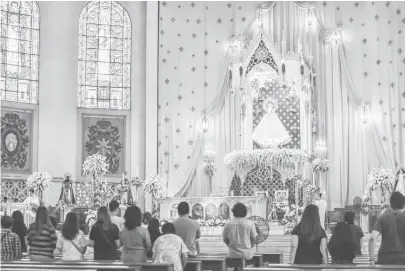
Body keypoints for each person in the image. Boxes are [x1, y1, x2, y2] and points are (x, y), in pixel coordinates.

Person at [369, 191, 405, 265]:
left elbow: (372, 238)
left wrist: (371, 259)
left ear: (390, 204)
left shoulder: (383, 217)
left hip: (385, 257)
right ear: (403, 204)